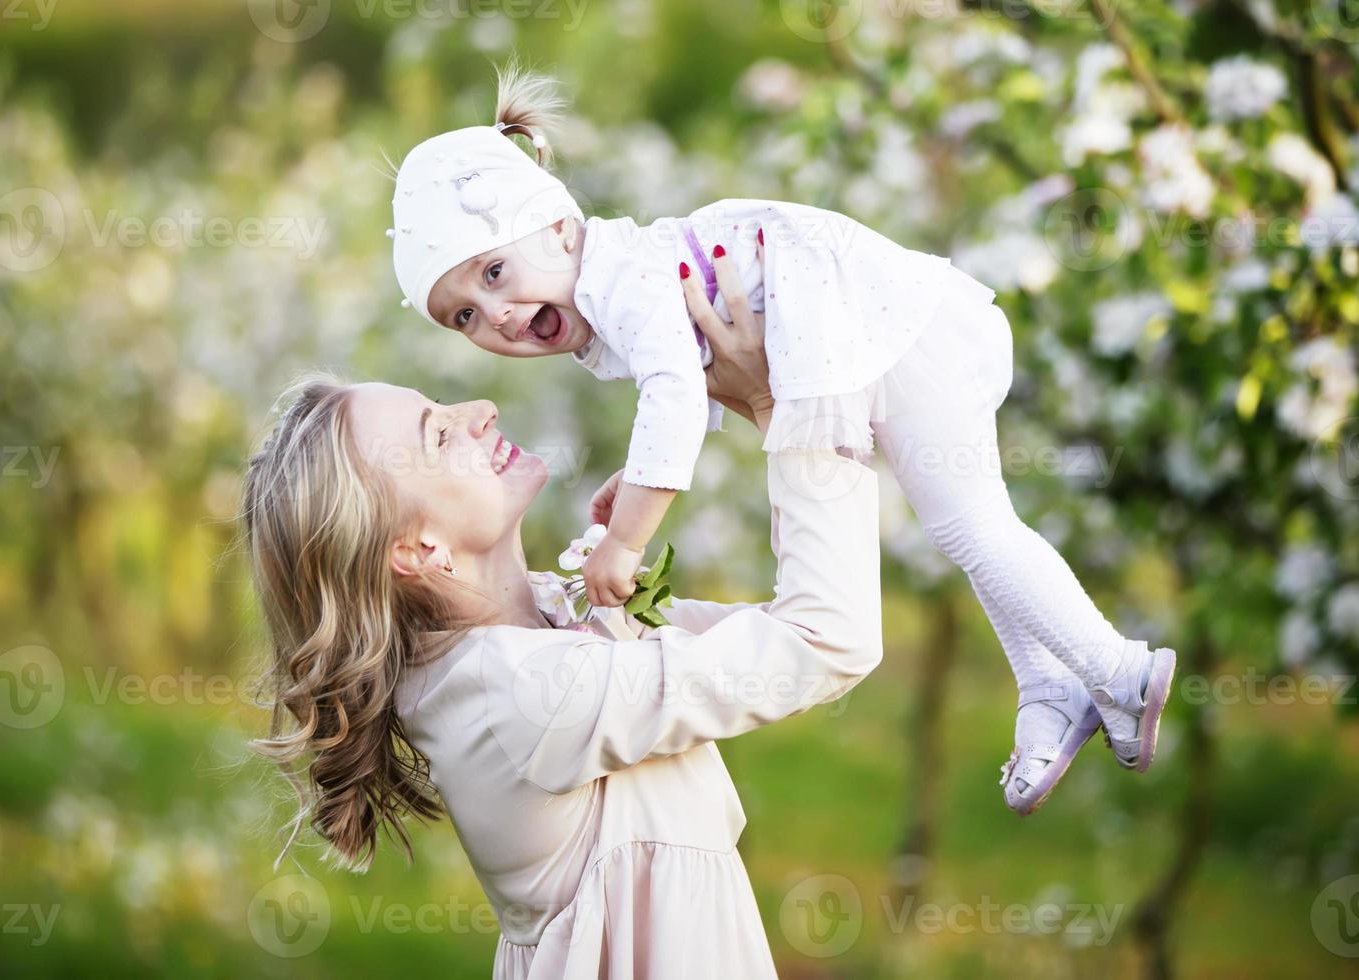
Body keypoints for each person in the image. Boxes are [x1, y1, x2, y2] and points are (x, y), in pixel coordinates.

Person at [387, 66, 1176, 813]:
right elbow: (684, 386)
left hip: (899, 333)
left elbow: (674, 393)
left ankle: (1117, 669)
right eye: (463, 315)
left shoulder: (617, 280)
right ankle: (1050, 686)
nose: (492, 315)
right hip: (879, 344)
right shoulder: (608, 290)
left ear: (560, 228)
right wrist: (636, 475)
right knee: (966, 527)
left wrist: (623, 543)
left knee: (970, 526)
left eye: (492, 275)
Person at [243, 262, 882, 977]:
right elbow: (828, 639)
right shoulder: (524, 692)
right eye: (439, 435)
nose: (479, 409)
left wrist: (761, 412)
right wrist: (790, 403)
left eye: (442, 405)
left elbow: (790, 634)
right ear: (417, 549)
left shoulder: (541, 621)